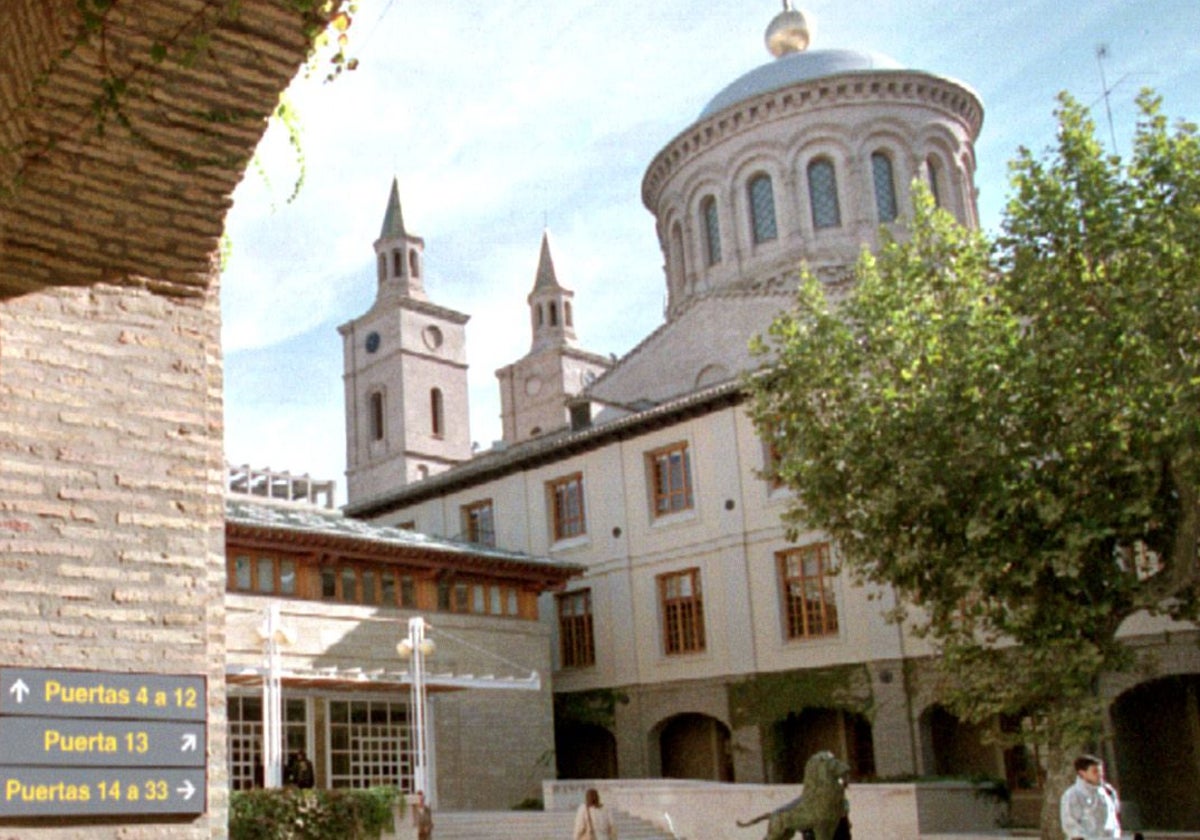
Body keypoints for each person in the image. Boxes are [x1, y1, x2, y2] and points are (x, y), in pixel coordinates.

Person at [1060, 754, 1121, 840]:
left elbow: (1115, 816)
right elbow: (1071, 825)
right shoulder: (1073, 795)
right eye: (1095, 771)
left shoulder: (1108, 791)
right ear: (1082, 773)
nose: (1100, 774)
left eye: (1101, 771)